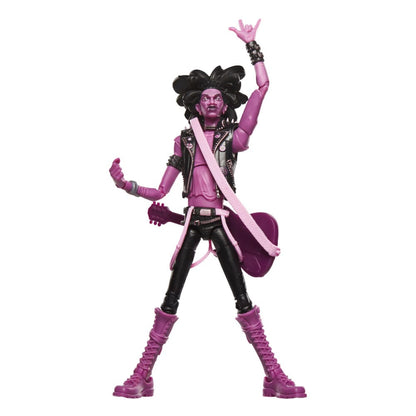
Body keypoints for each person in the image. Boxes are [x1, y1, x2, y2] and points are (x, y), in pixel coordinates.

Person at [109, 20, 306, 399]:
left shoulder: (234, 138)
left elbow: (263, 89)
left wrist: (253, 47)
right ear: (196, 105)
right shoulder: (184, 141)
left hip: (220, 224)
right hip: (191, 225)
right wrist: (126, 185)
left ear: (226, 103)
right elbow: (161, 190)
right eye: (206, 98)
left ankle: (273, 375)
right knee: (169, 300)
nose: (212, 102)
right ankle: (142, 375)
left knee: (243, 300)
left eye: (218, 97)